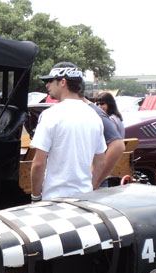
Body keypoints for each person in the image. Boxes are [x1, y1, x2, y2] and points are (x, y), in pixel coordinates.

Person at [30, 63, 106, 201]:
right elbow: (100, 161)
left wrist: (35, 196)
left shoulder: (50, 115)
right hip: (84, 198)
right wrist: (90, 187)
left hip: (54, 199)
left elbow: (39, 163)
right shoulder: (94, 116)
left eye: (50, 80)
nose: (47, 85)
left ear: (63, 82)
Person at [88, 92, 125, 185]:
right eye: (97, 104)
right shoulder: (117, 118)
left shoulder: (109, 120)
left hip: (106, 162)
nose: (99, 107)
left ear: (110, 104)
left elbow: (114, 144)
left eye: (102, 104)